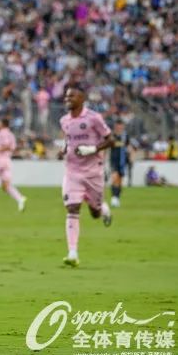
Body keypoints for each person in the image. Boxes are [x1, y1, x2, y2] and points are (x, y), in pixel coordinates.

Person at [58, 84, 114, 267]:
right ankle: (72, 253)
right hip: (72, 171)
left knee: (94, 213)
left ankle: (102, 208)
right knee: (72, 208)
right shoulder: (64, 120)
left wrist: (92, 149)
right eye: (67, 96)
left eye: (72, 96)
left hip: (93, 173)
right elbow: (68, 140)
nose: (68, 99)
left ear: (82, 99)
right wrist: (63, 150)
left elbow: (111, 140)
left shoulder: (94, 118)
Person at [109, 119, 129, 207]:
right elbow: (109, 145)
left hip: (123, 161)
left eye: (121, 126)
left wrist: (130, 156)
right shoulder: (112, 135)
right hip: (114, 160)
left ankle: (117, 197)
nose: (119, 128)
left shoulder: (125, 135)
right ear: (115, 126)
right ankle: (114, 198)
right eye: (118, 126)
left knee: (120, 181)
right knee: (114, 178)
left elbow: (128, 146)